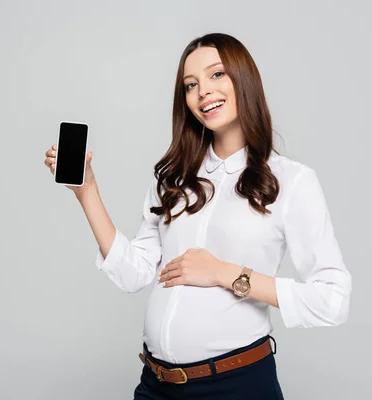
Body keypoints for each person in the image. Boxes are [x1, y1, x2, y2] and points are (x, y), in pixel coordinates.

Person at [43, 32, 351, 400]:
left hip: (235, 387)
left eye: (217, 74)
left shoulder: (292, 181)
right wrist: (87, 192)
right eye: (191, 84)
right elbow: (133, 274)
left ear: (244, 79)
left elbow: (333, 300)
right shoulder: (173, 178)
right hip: (156, 385)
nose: (203, 90)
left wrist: (224, 273)